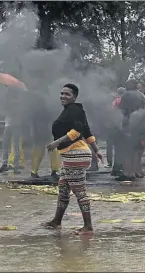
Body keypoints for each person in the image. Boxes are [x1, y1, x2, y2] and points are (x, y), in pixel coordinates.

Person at [43, 83, 103, 236]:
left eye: (67, 94)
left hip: (75, 154)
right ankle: (56, 221)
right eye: (62, 93)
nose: (63, 96)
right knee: (63, 188)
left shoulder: (74, 110)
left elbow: (77, 131)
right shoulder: (73, 111)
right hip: (74, 154)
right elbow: (87, 131)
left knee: (79, 190)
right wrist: (96, 150)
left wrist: (57, 142)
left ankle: (88, 226)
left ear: (74, 97)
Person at [116, 79, 145, 181]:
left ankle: (127, 172)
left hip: (128, 125)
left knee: (127, 150)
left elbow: (122, 111)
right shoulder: (142, 96)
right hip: (140, 125)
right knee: (137, 150)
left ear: (131, 85)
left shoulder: (126, 95)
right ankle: (134, 172)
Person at [27, 92, 60, 180]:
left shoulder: (33, 110)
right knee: (51, 151)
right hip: (45, 132)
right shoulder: (46, 108)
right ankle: (54, 171)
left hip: (40, 133)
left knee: (39, 152)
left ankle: (34, 172)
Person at [0, 87, 25, 174]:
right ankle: (6, 164)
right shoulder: (8, 101)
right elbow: (4, 111)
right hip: (9, 124)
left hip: (15, 125)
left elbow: (21, 112)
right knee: (8, 145)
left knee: (12, 146)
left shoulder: (18, 101)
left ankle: (13, 165)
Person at [107, 87, 125, 170]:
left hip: (114, 126)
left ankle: (112, 164)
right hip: (121, 126)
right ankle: (119, 165)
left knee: (112, 145)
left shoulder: (116, 101)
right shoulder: (123, 100)